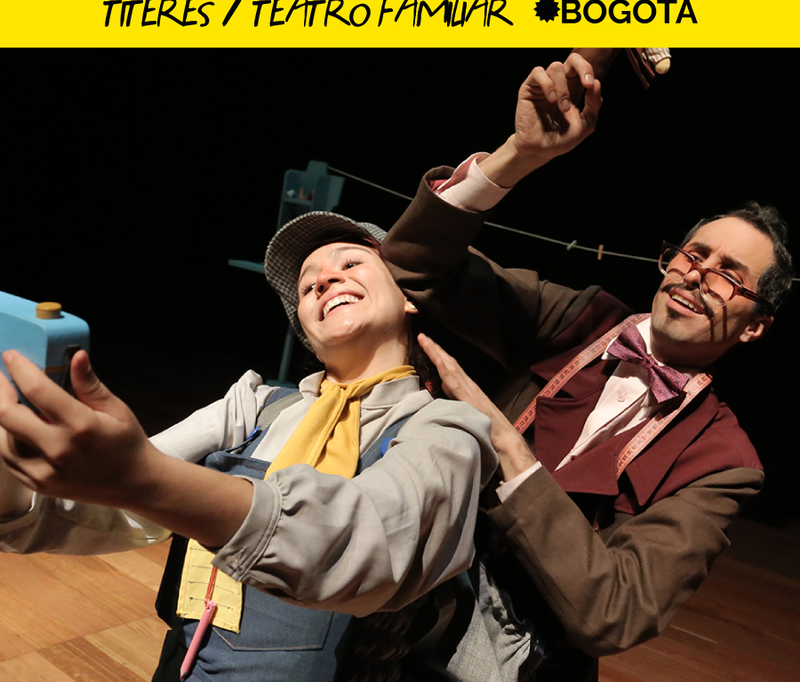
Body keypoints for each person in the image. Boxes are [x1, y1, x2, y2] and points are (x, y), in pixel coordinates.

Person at [380, 52, 794, 681]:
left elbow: (614, 613)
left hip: (522, 652)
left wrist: (505, 446)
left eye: (729, 277)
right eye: (693, 254)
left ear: (756, 324)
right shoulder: (578, 318)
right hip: (417, 587)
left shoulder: (724, 461)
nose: (696, 276)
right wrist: (518, 156)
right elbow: (412, 266)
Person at [0, 211, 498, 682]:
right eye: (308, 285)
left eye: (350, 263)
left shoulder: (446, 430)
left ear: (410, 299)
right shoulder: (254, 407)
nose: (325, 280)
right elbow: (105, 509)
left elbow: (370, 544)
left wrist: (142, 478)